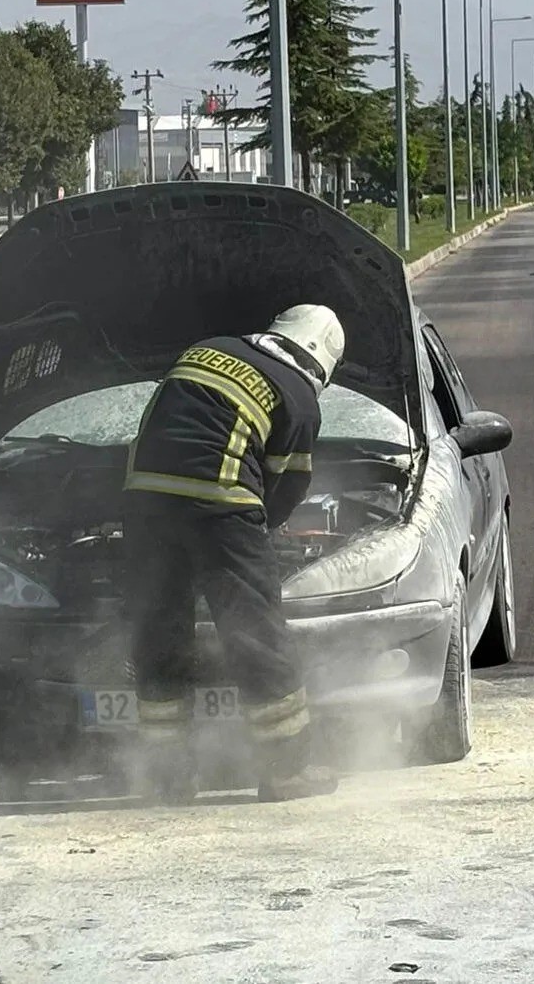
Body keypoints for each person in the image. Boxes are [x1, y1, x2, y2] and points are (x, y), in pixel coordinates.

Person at [122, 303, 347, 803]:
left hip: (143, 502)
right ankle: (287, 770)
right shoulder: (298, 396)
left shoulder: (208, 348)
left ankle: (167, 777)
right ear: (321, 361)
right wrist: (262, 534)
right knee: (256, 636)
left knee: (161, 634)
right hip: (220, 506)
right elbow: (285, 487)